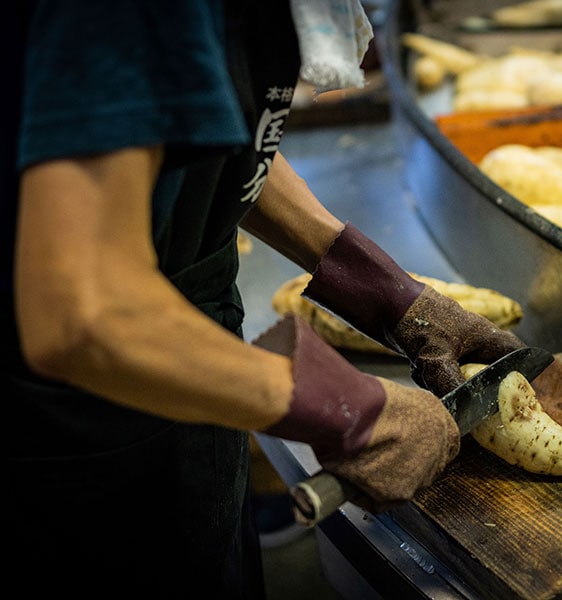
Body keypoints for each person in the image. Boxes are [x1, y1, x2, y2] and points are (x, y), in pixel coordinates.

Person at [4, 1, 524, 597]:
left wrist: (388, 294)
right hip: (81, 431)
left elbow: (207, 138)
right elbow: (82, 313)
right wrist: (347, 408)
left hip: (180, 380)